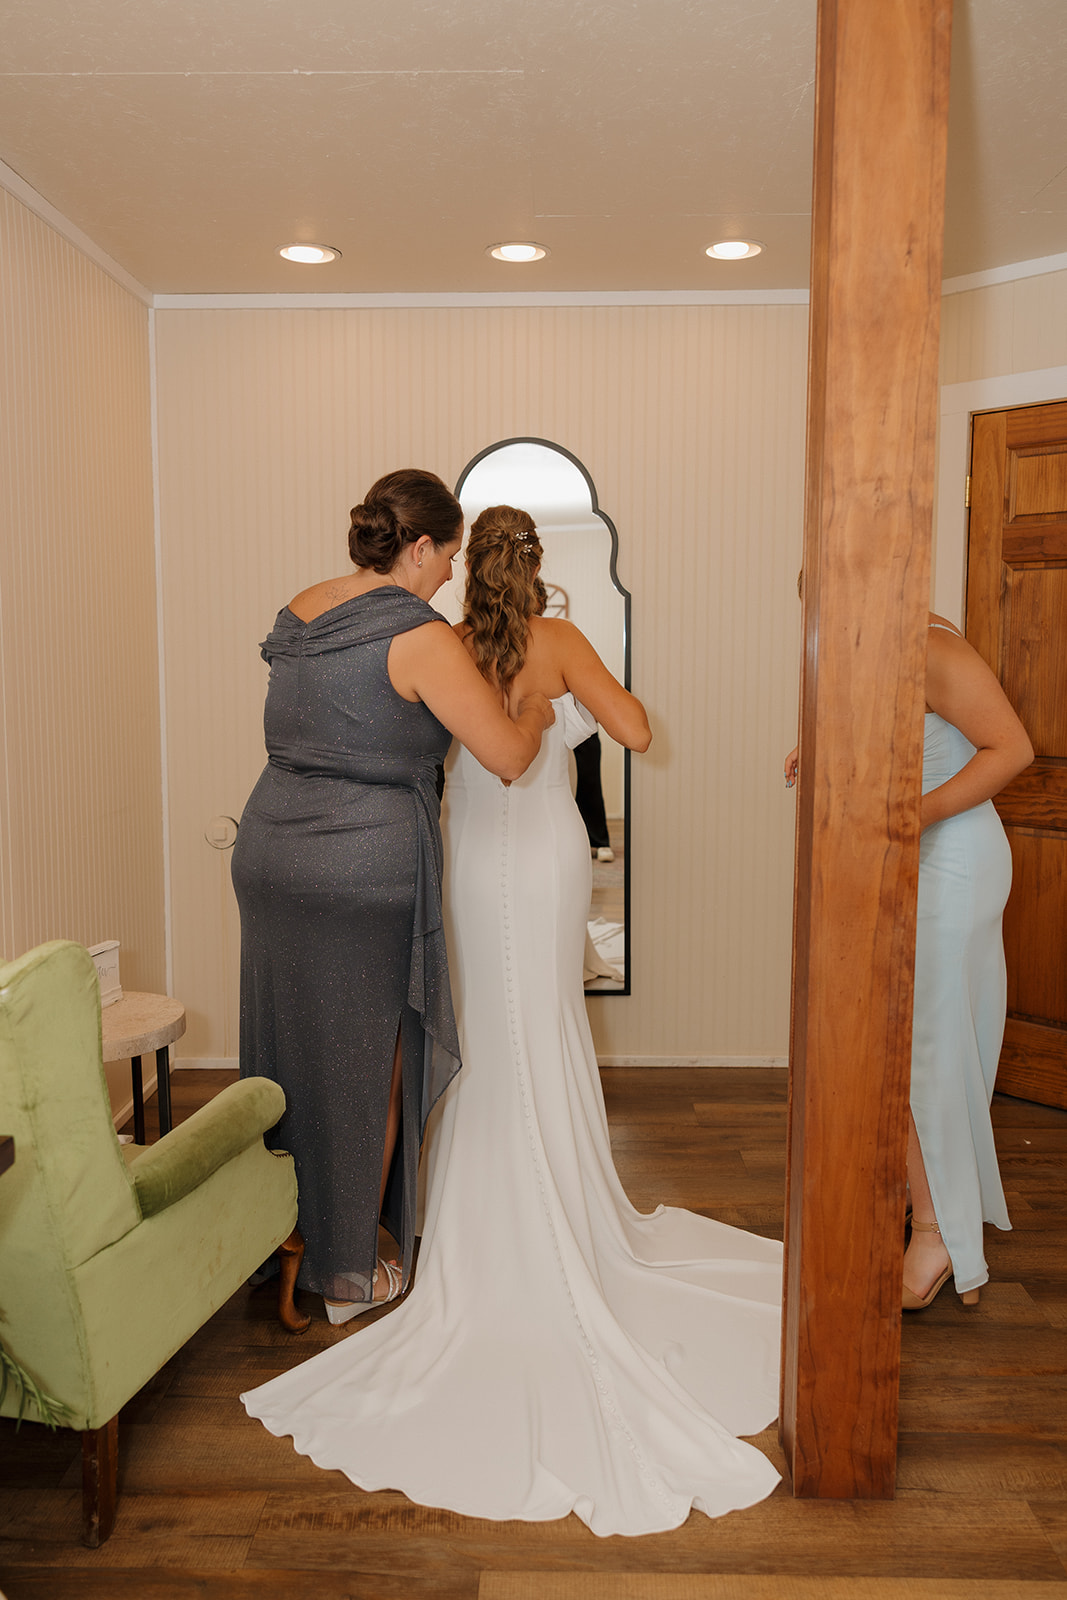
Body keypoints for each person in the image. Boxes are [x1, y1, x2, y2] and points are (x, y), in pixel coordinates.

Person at [241, 503, 784, 1536]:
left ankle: (461, 1222)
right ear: (533, 570)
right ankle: (557, 1214)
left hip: (466, 865)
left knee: (476, 1029)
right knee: (543, 1022)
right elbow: (631, 731)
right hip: (542, 866)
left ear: (463, 568)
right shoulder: (559, 641)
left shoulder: (442, 644)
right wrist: (567, 693)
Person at [231, 470, 553, 1324]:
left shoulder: (300, 607)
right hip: (358, 868)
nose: (450, 573)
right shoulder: (419, 636)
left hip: (267, 853)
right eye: (447, 554)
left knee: (287, 1050)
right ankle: (346, 1264)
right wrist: (536, 715)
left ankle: (282, 1235)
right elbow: (507, 757)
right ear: (418, 546)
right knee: (372, 1057)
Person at [785, 612, 1033, 1309]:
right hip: (912, 857)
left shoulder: (931, 645)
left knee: (921, 1048)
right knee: (910, 1043)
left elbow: (1011, 750)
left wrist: (911, 816)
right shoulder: (870, 643)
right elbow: (902, 736)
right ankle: (929, 1200)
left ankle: (935, 1236)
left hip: (952, 859)